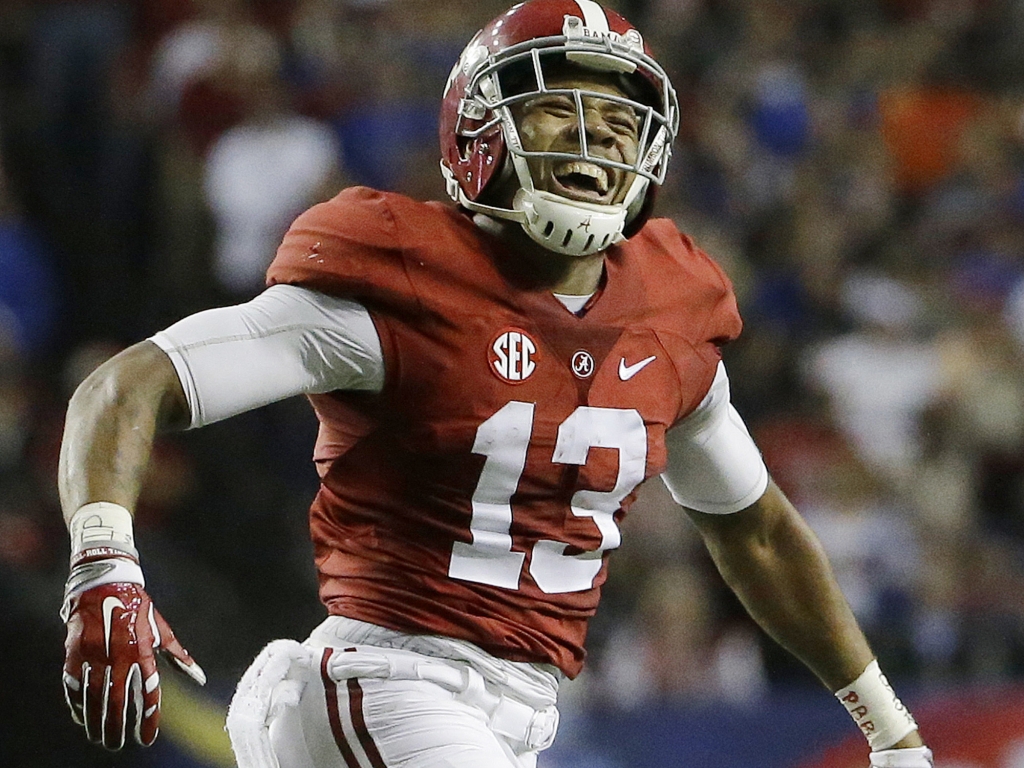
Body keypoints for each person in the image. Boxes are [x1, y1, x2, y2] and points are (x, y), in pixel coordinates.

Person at [57, 2, 934, 766]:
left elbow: (761, 533)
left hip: (516, 709)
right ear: (481, 132)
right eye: (561, 108)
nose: (598, 138)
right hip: (385, 681)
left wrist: (890, 727)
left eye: (621, 121)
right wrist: (105, 564)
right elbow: (128, 384)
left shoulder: (671, 311)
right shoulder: (403, 279)